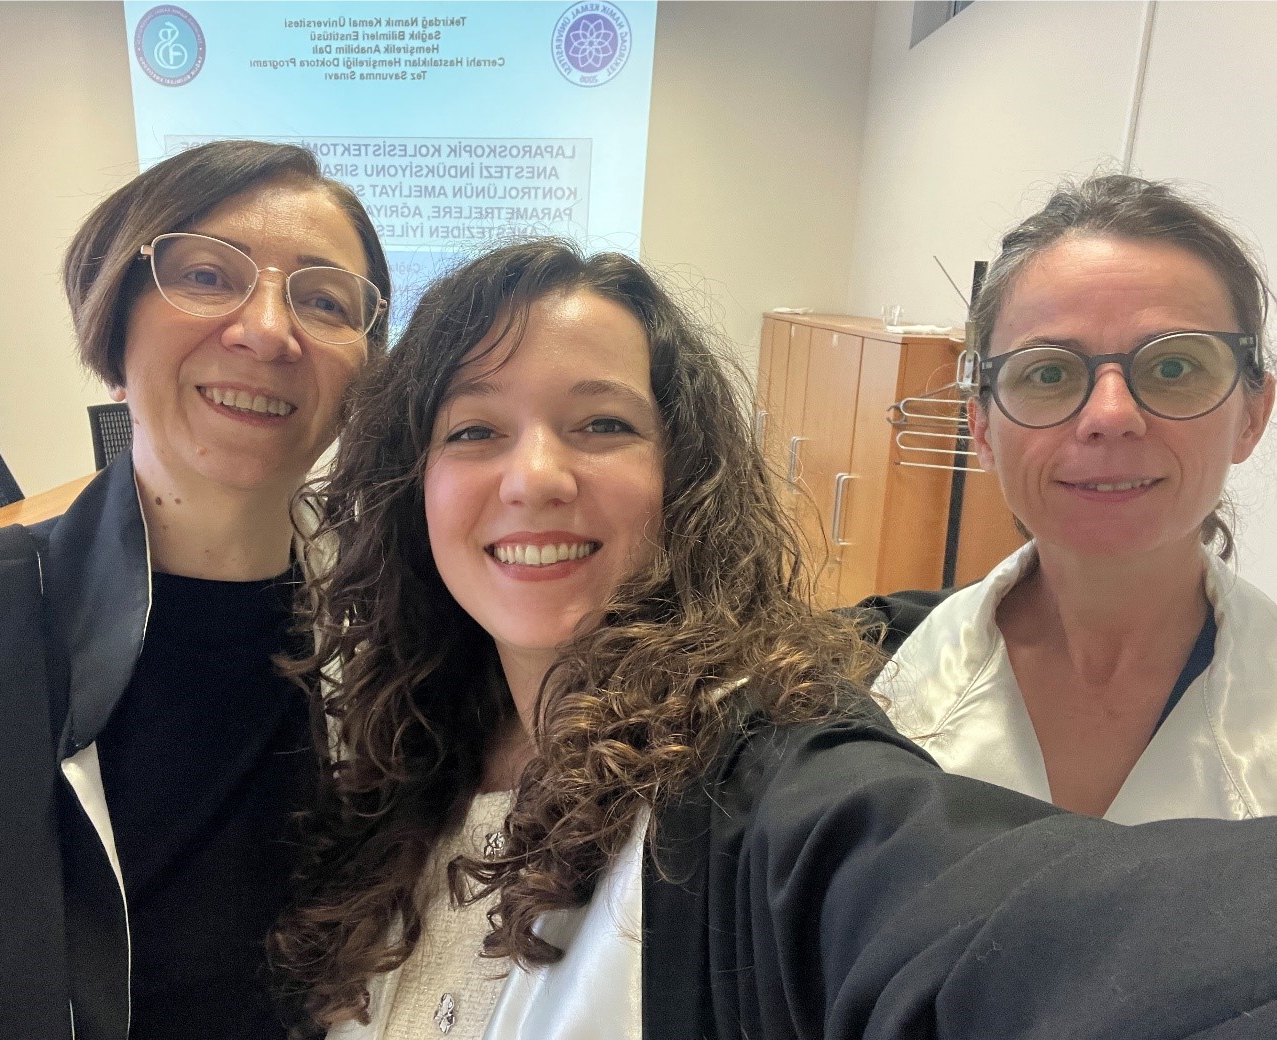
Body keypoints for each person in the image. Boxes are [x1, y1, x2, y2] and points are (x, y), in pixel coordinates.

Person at [269, 238, 1276, 1040]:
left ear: (685, 479)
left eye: (603, 425)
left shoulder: (751, 773)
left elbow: (989, 917)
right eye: (473, 430)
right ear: (412, 484)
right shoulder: (398, 763)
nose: (536, 476)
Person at [0, 140, 390, 1040]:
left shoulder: (396, 643)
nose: (267, 331)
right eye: (206, 275)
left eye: (324, 301)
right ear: (112, 327)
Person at [871, 174, 1277, 823]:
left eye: (1174, 367)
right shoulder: (856, 696)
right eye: (1050, 372)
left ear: (1252, 415)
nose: (1110, 415)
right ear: (982, 428)